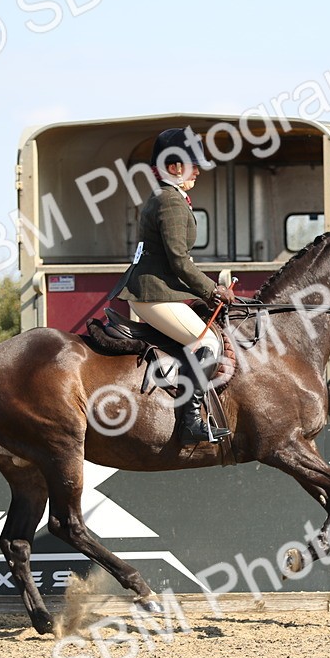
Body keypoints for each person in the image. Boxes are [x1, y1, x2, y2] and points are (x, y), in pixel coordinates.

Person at [112, 127, 235, 445]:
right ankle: (190, 421)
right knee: (207, 341)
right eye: (193, 165)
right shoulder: (170, 202)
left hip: (155, 290)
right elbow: (179, 261)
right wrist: (212, 291)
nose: (197, 171)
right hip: (153, 293)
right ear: (175, 166)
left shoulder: (167, 197)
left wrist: (205, 291)